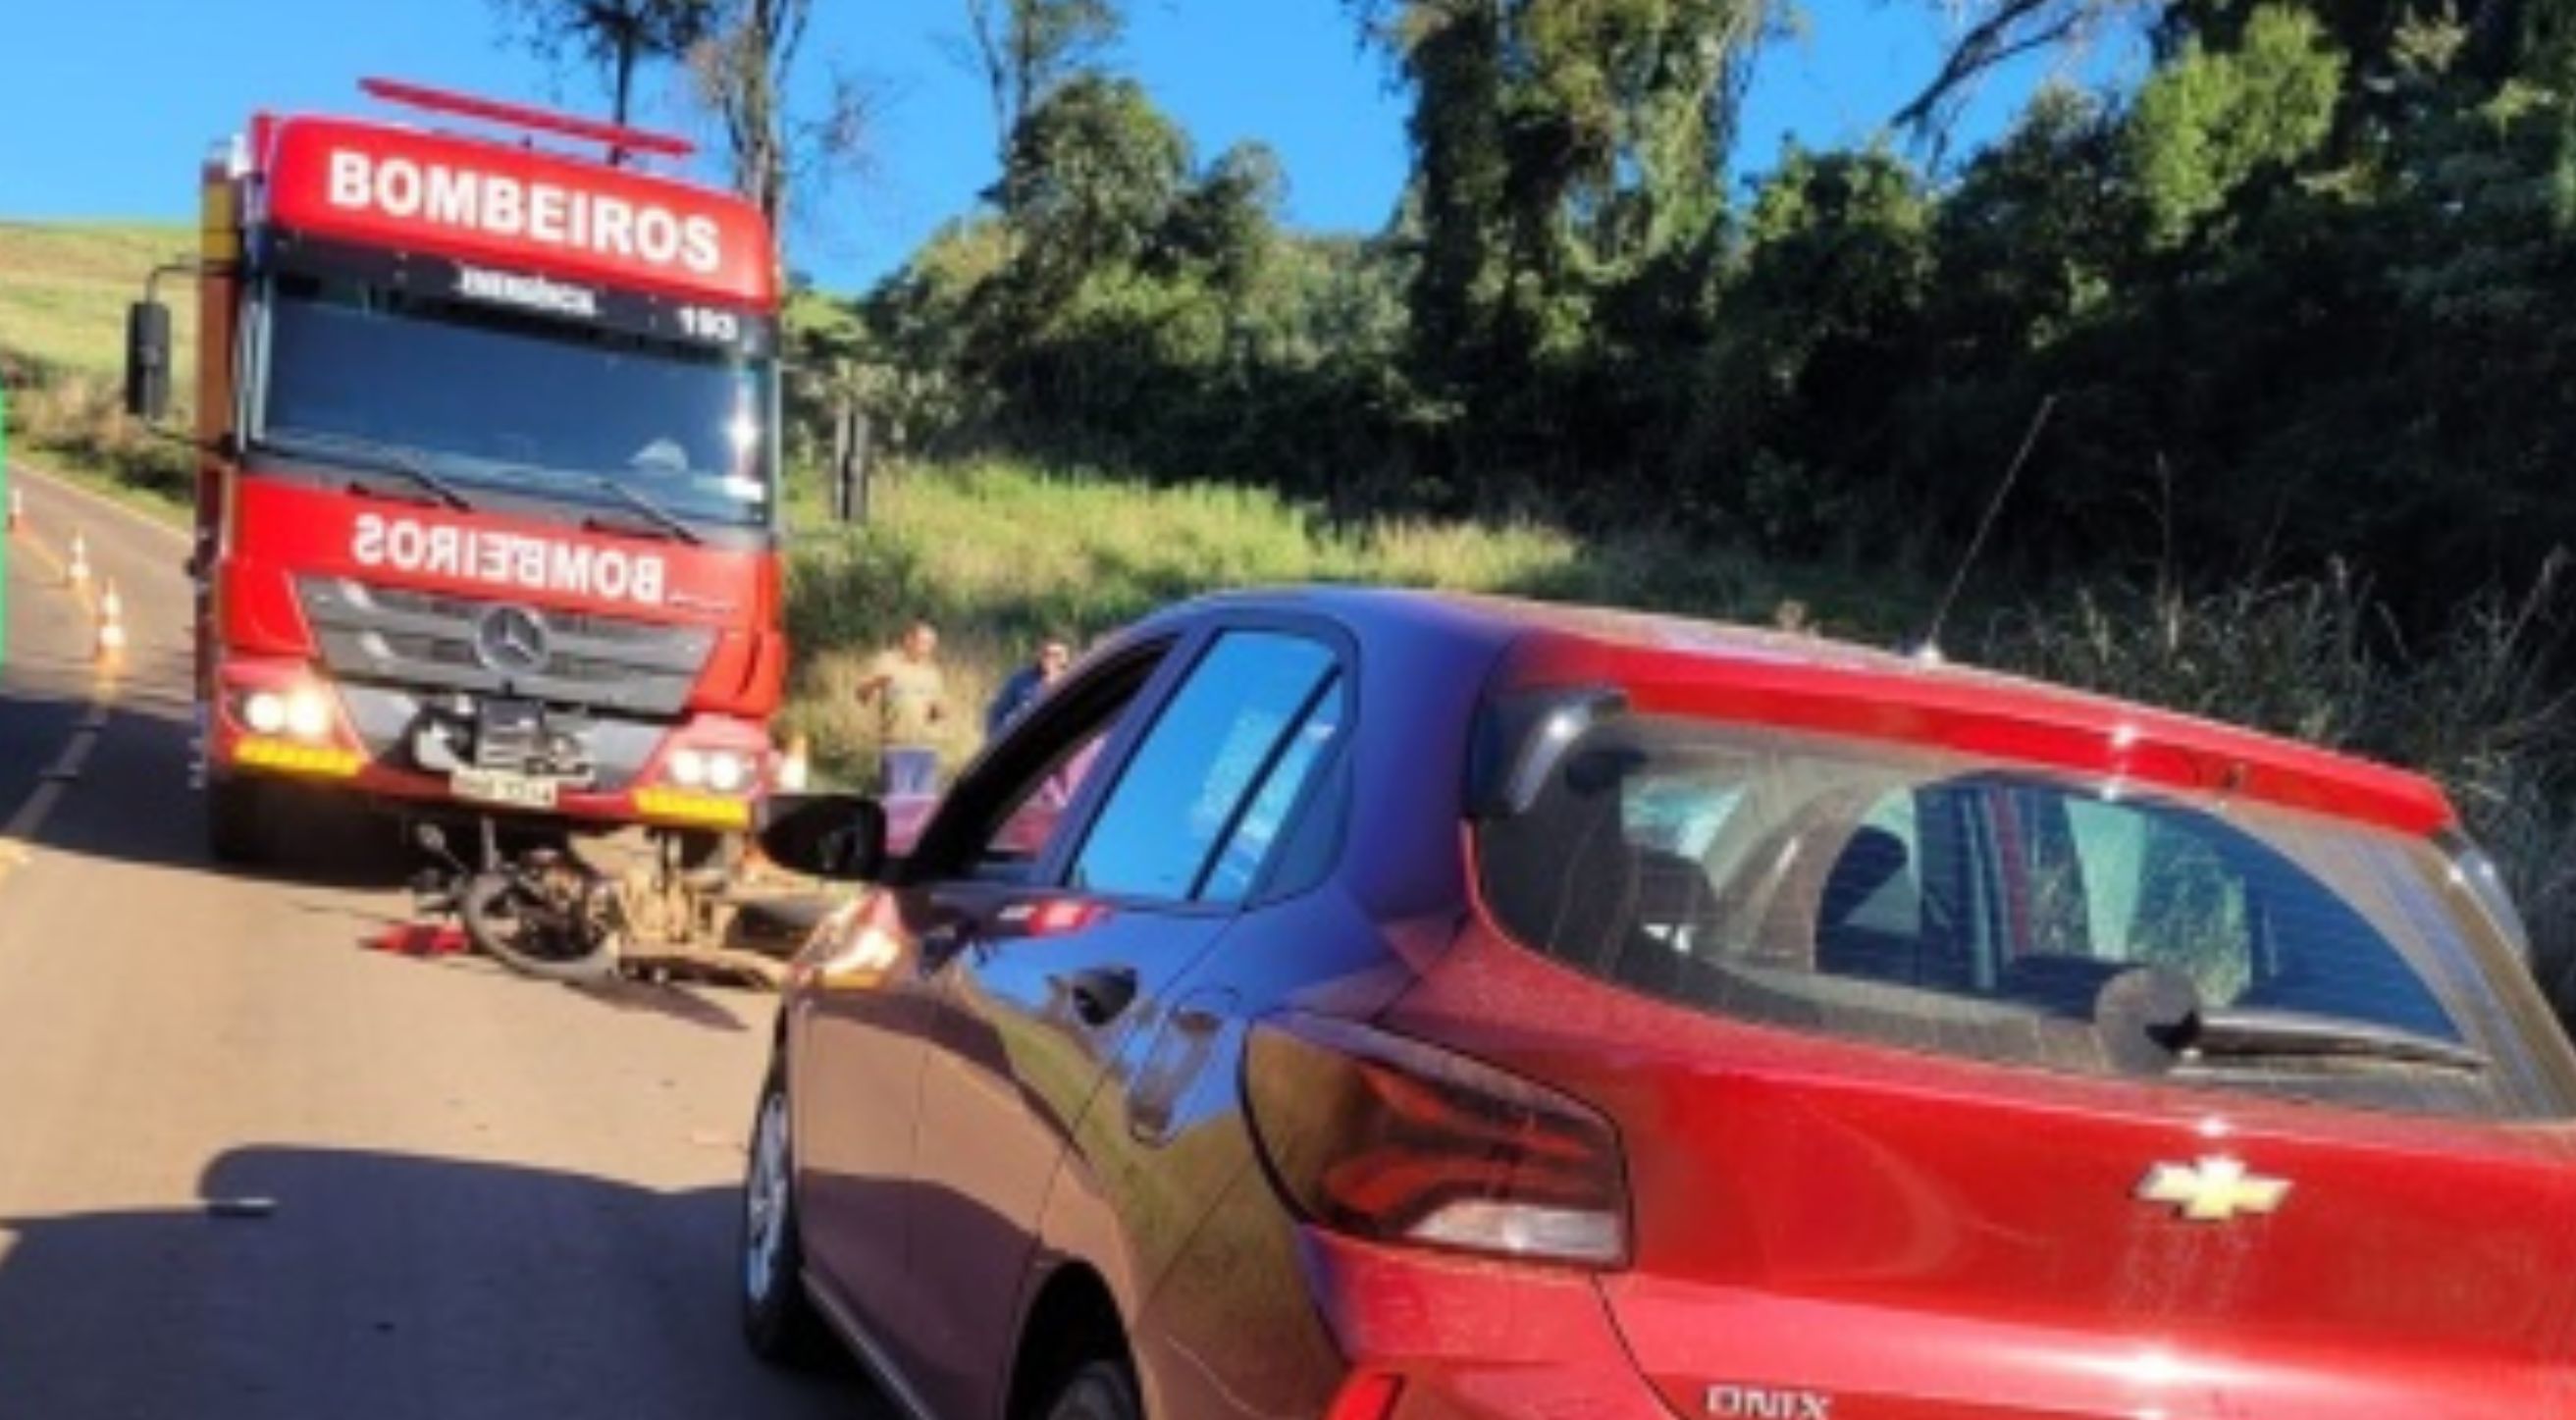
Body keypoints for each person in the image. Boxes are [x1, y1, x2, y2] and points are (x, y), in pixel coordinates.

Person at [855, 619, 949, 796]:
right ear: (908, 640)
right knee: (898, 806)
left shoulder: (933, 673)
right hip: (898, 747)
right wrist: (875, 683)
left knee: (922, 809)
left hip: (927, 749)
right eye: (923, 642)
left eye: (931, 644)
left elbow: (940, 710)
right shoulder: (887, 662)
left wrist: (939, 712)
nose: (927, 649)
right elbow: (860, 695)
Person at [985, 634, 1074, 738]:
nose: (1050, 659)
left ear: (1065, 658)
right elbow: (997, 715)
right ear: (1038, 654)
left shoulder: (1072, 681)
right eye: (1046, 654)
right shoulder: (1019, 680)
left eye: (1056, 655)